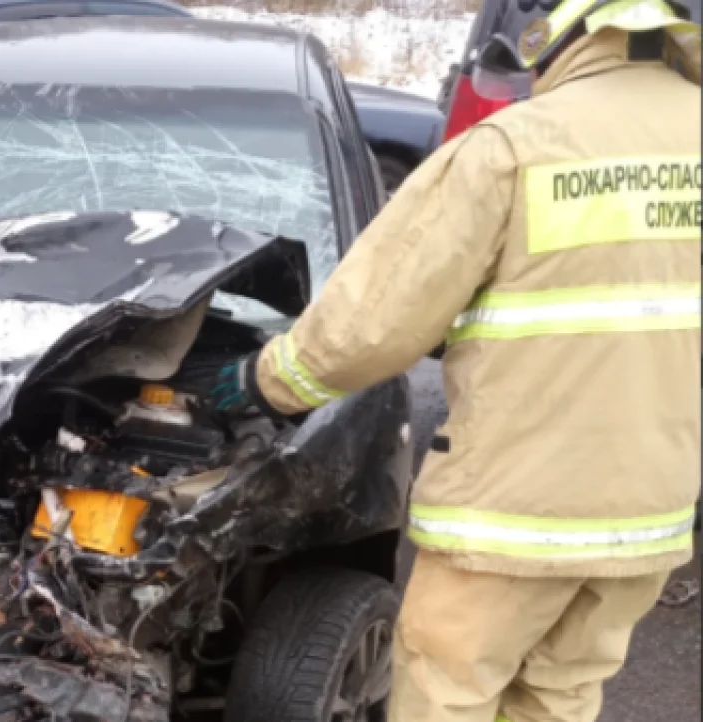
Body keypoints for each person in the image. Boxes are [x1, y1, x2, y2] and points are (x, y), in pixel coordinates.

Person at [207, 0, 702, 720]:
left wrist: (265, 381)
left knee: (449, 695)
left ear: (564, 31)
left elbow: (377, 318)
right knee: (558, 695)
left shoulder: (516, 147)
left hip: (514, 512)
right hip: (649, 512)